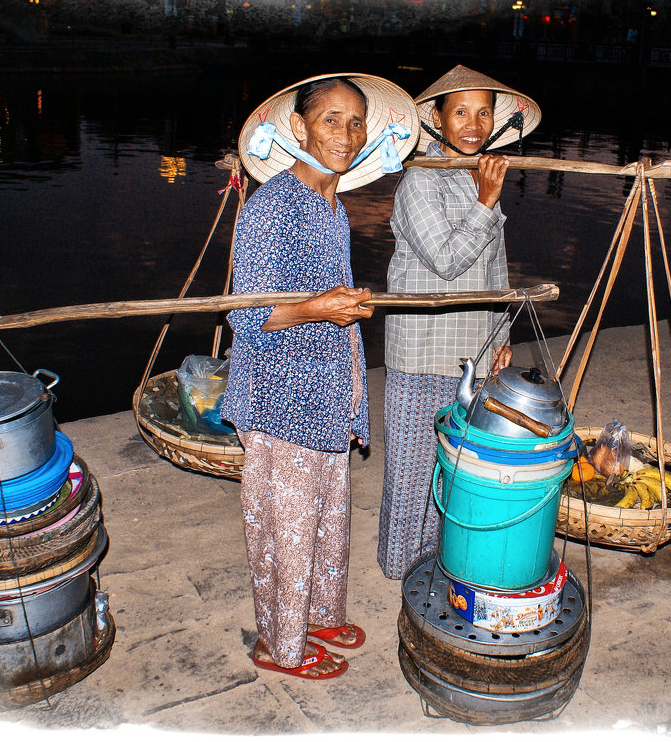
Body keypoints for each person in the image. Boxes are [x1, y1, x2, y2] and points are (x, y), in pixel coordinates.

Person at [222, 73, 417, 678]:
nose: (347, 132)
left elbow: (321, 293)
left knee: (329, 514)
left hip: (327, 393)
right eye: (331, 119)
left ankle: (319, 611)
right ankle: (278, 644)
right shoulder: (273, 205)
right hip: (280, 398)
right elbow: (246, 315)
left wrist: (340, 307)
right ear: (299, 128)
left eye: (357, 121)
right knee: (286, 530)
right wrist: (318, 307)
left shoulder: (332, 204)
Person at [377, 65, 542, 580]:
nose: (473, 124)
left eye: (483, 112)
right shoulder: (419, 181)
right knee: (412, 469)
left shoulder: (478, 176)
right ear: (437, 120)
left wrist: (503, 336)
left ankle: (441, 560)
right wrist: (486, 202)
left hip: (474, 349)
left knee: (456, 467)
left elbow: (495, 271)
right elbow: (446, 260)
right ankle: (401, 567)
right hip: (423, 350)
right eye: (460, 112)